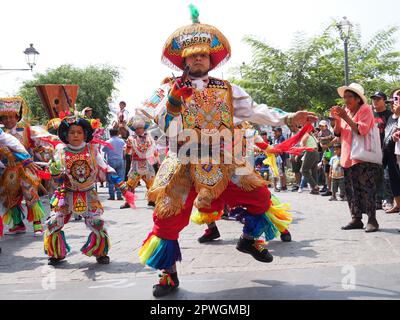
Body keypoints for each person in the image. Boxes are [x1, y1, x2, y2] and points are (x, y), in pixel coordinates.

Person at [136, 5, 317, 297]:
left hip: (223, 161)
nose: (198, 58)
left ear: (211, 59)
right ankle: (168, 274)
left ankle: (248, 239)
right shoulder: (168, 88)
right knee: (167, 219)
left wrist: (287, 118)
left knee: (260, 197)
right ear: (183, 59)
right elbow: (156, 120)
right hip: (182, 161)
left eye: (203, 54)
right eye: (192, 55)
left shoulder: (227, 88)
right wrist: (172, 101)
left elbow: (256, 111)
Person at [44, 117, 134, 266]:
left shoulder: (91, 149)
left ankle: (101, 252)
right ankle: (55, 253)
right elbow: (58, 176)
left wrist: (120, 183)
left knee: (97, 223)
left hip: (89, 193)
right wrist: (55, 173)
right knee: (54, 222)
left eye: (79, 132)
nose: (75, 135)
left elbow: (104, 167)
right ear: (66, 134)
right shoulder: (60, 150)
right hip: (66, 193)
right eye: (72, 132)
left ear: (85, 134)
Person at [0, 97, 54, 237]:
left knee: (31, 196)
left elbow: (38, 147)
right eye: (4, 117)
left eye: (11, 117)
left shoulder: (27, 130)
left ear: (17, 117)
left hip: (27, 168)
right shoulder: (1, 133)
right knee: (10, 198)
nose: (8, 120)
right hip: (9, 171)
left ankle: (37, 225)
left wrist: (49, 160)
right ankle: (18, 225)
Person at [331, 83, 380, 232]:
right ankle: (356, 218)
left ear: (358, 99)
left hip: (363, 157)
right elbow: (338, 133)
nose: (346, 100)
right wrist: (338, 120)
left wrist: (345, 117)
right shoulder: (346, 111)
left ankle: (372, 220)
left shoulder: (365, 109)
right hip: (347, 156)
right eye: (345, 97)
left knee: (367, 189)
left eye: (349, 96)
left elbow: (361, 130)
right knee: (351, 189)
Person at [121, 116, 158, 208]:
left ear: (144, 128)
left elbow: (154, 151)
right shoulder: (131, 139)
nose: (138, 130)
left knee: (151, 183)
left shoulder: (149, 138)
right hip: (135, 165)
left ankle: (152, 200)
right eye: (136, 128)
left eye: (140, 128)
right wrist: (128, 147)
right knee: (130, 183)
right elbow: (128, 152)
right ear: (134, 129)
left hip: (148, 164)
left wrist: (156, 162)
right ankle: (128, 201)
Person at [371, 91, 394, 210]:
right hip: (373, 150)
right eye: (373, 99)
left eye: (378, 99)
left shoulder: (390, 114)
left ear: (384, 101)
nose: (375, 101)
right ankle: (377, 200)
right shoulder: (370, 115)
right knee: (375, 175)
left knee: (387, 175)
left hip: (388, 150)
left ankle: (389, 200)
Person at [382, 89, 400, 213]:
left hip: (397, 154)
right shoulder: (390, 117)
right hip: (390, 154)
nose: (395, 102)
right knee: (393, 181)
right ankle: (397, 205)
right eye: (394, 99)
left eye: (398, 99)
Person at [103, 128, 126, 201]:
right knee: (120, 178)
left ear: (110, 134)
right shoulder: (122, 141)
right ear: (117, 133)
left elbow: (103, 150)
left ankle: (112, 195)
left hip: (111, 161)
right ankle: (119, 195)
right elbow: (125, 148)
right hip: (120, 160)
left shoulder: (108, 142)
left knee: (111, 179)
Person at [298, 128, 320, 194]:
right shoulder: (311, 136)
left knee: (303, 170)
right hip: (315, 152)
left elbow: (302, 146)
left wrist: (296, 152)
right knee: (314, 171)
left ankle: (315, 186)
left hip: (310, 152)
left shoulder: (306, 135)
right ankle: (315, 190)